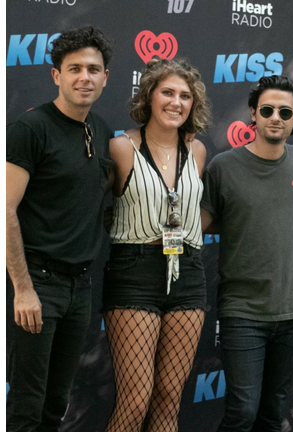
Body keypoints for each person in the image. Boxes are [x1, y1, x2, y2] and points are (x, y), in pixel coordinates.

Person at [6, 26, 113, 431]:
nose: (84, 77)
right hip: (38, 284)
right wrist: (23, 288)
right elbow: (4, 211)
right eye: (74, 68)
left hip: (79, 288)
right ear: (56, 75)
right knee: (26, 407)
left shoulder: (100, 130)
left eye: (93, 69)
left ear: (106, 77)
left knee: (56, 405)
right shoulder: (30, 130)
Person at [201, 76, 293, 432]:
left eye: (285, 111)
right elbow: (201, 225)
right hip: (243, 311)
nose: (275, 117)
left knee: (273, 414)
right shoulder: (223, 166)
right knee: (242, 413)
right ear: (253, 113)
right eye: (267, 110)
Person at [102, 57, 211, 432]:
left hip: (189, 272)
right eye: (167, 92)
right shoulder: (121, 148)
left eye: (185, 95)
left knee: (168, 397)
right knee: (135, 399)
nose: (176, 102)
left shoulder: (197, 152)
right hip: (134, 271)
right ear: (149, 96)